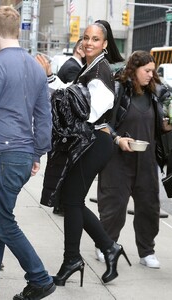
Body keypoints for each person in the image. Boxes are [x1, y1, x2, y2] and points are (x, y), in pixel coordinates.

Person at [41, 22, 131, 287]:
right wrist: (50, 79)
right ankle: (104, 249)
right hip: (91, 142)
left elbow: (88, 112)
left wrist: (55, 88)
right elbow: (72, 92)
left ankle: (77, 257)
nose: (89, 42)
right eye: (86, 38)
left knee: (71, 199)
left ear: (105, 44)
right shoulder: (91, 68)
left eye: (95, 39)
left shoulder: (102, 71)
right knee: (72, 200)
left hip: (96, 143)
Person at [0, 6, 56, 300]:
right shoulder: (35, 67)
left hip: (1, 155)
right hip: (20, 155)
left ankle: (39, 278)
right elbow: (45, 119)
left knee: (2, 221)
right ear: (17, 31)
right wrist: (37, 154)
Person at [97, 50, 172, 269]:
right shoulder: (119, 88)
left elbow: (160, 128)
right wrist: (117, 138)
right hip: (117, 159)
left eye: (153, 71)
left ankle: (146, 250)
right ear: (135, 69)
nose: (151, 75)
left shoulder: (155, 94)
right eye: (147, 71)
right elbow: (102, 122)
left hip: (147, 160)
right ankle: (106, 244)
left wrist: (171, 123)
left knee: (149, 207)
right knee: (114, 205)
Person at [36, 39, 86, 216]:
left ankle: (60, 202)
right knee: (61, 168)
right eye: (86, 42)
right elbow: (68, 96)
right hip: (65, 128)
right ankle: (60, 203)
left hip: (61, 128)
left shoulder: (74, 66)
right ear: (80, 49)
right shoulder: (74, 67)